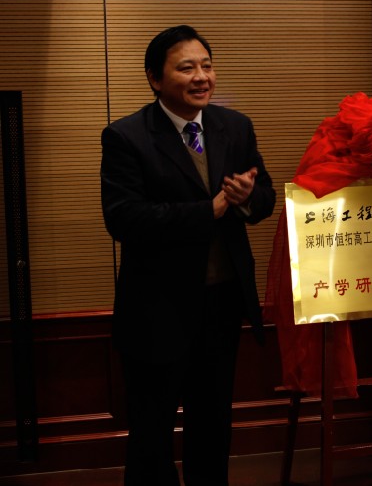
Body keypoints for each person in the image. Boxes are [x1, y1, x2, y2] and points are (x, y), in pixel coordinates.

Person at [101, 25, 275, 485]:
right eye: (186, 68)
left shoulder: (234, 127)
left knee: (212, 425)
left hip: (221, 304)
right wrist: (207, 211)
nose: (201, 77)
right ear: (155, 79)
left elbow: (265, 198)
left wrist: (247, 198)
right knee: (151, 432)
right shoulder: (126, 136)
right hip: (156, 309)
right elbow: (124, 219)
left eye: (206, 65)